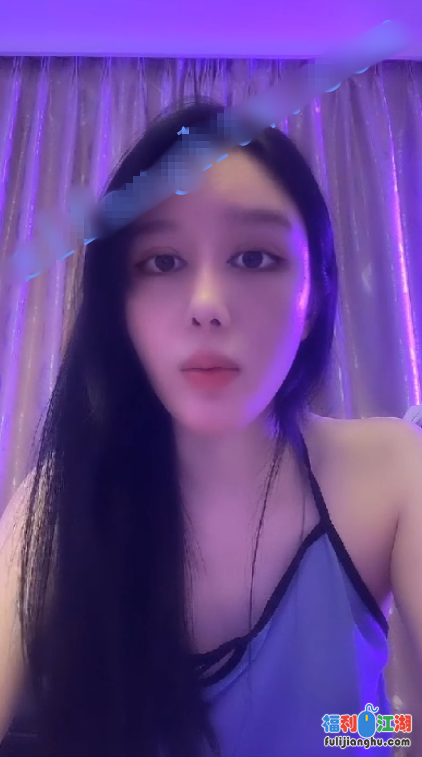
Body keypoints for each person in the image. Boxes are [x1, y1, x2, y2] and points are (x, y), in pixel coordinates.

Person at [0, 99, 421, 757]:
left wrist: (375, 738)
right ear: (119, 309)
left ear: (314, 299)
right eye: (162, 262)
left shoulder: (391, 473)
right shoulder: (57, 505)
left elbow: (382, 728)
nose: (206, 305)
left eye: (253, 257)